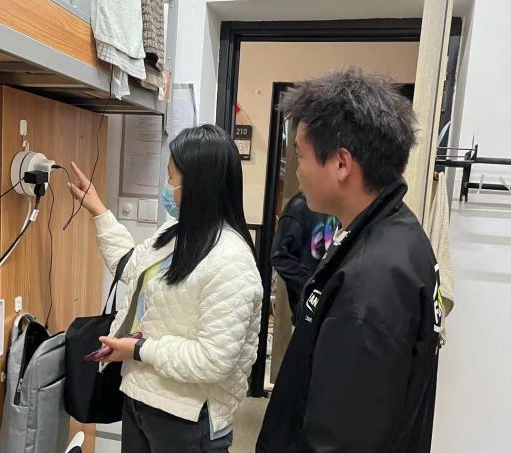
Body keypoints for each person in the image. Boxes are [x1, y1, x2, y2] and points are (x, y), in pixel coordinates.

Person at [257, 68, 443, 453]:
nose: (298, 172)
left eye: (301, 157)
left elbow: (343, 438)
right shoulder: (387, 233)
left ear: (341, 163)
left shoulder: (375, 278)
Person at [69, 124, 263, 453]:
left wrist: (139, 350)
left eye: (171, 176)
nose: (166, 185)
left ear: (197, 183)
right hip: (139, 398)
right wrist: (98, 210)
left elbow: (213, 359)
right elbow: (130, 267)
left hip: (188, 418)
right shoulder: (175, 232)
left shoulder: (232, 260)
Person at [271, 193, 337, 322]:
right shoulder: (299, 206)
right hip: (309, 309)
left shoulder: (341, 203)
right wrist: (312, 287)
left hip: (335, 305)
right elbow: (280, 255)